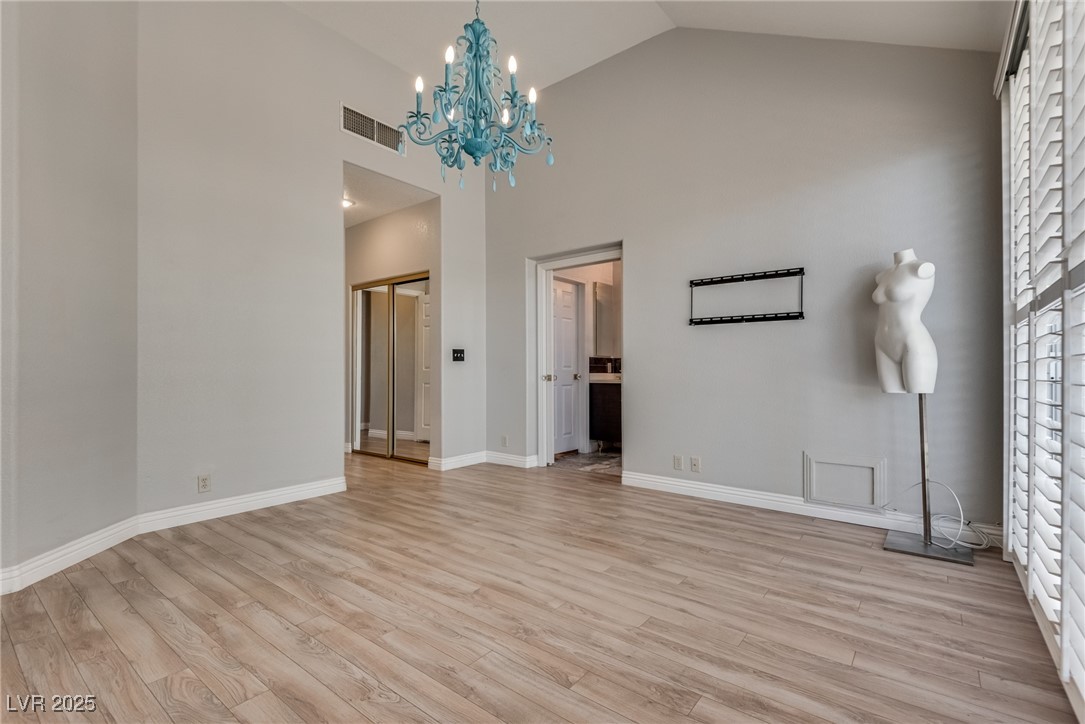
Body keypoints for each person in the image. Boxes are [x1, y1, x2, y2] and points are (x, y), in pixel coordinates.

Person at [872, 248, 937, 394]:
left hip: (913, 343)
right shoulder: (883, 275)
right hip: (882, 343)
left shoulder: (921, 269)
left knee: (918, 393)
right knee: (890, 396)